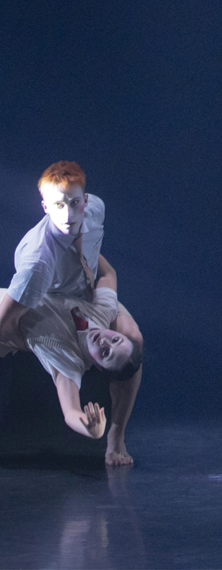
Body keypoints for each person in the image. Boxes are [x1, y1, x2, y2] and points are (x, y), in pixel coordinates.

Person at [0, 161, 143, 464]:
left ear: (85, 202)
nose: (68, 215)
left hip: (78, 292)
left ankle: (116, 436)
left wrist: (94, 430)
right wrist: (21, 340)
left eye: (74, 203)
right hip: (36, 298)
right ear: (45, 207)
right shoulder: (37, 266)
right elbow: (5, 321)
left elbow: (71, 412)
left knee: (133, 346)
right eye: (58, 205)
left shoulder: (95, 211)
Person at [0, 254, 142, 441]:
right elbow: (108, 274)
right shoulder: (104, 312)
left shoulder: (68, 359)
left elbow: (71, 412)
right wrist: (75, 245)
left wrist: (91, 429)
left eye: (106, 353)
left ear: (99, 366)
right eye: (115, 340)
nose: (104, 342)